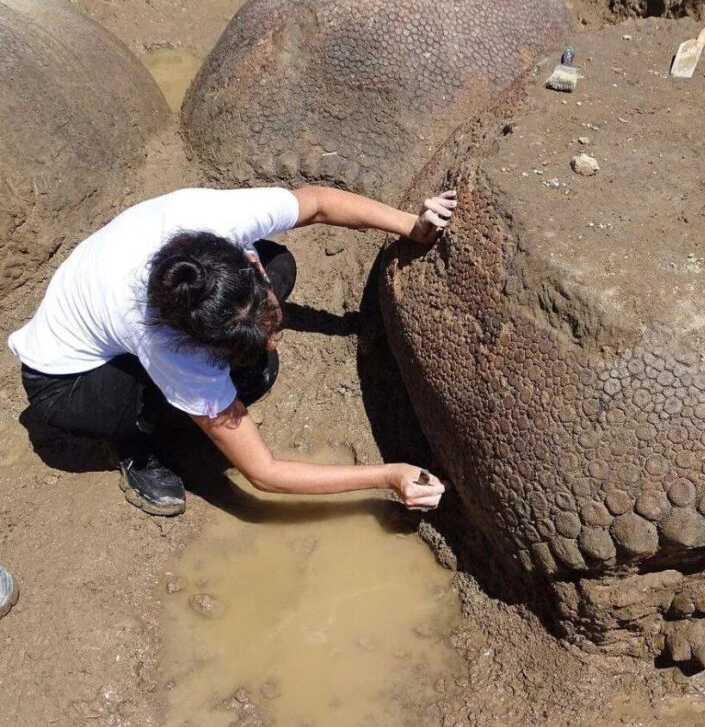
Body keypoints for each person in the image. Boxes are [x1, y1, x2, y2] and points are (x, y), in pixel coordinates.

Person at [8, 185, 456, 516]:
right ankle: (136, 447)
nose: (274, 337)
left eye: (271, 323)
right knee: (256, 375)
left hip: (129, 303)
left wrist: (412, 226)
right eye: (260, 333)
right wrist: (387, 475)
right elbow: (263, 473)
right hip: (67, 382)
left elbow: (318, 204)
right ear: (199, 345)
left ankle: (203, 385)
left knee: (284, 263)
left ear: (248, 262)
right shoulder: (167, 345)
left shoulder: (217, 217)